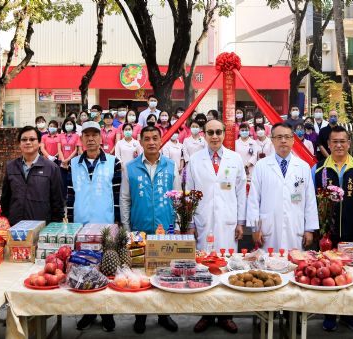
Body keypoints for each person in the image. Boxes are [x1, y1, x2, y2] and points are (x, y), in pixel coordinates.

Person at [187, 120, 246, 334]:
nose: (214, 136)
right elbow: (190, 192)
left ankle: (225, 315)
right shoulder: (195, 160)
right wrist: (191, 222)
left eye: (218, 132)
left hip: (228, 223)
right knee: (204, 268)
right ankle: (205, 315)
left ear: (224, 133)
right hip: (203, 222)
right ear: (204, 134)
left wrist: (241, 222)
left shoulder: (235, 159)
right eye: (210, 132)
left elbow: (240, 193)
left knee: (226, 268)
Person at [314, 126, 353, 332]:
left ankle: (349, 315)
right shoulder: (318, 169)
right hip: (327, 233)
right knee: (327, 274)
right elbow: (311, 201)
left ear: (349, 143)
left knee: (349, 274)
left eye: (343, 141)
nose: (339, 145)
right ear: (328, 144)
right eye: (334, 141)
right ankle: (329, 314)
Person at [121, 126, 180, 334]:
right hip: (140, 228)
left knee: (164, 272)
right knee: (141, 274)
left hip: (165, 228)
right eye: (147, 139)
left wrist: (178, 226)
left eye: (155, 138)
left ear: (161, 139)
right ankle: (140, 316)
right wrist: (127, 229)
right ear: (141, 141)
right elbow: (125, 199)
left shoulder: (171, 166)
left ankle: (164, 315)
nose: (152, 142)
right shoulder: (130, 167)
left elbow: (178, 197)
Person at [71, 121, 122, 332]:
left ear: (102, 138)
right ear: (81, 139)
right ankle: (88, 312)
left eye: (95, 135)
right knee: (83, 271)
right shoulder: (73, 163)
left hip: (105, 226)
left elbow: (118, 194)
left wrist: (118, 222)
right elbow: (69, 194)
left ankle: (107, 313)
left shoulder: (113, 162)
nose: (91, 139)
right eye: (86, 135)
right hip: (81, 226)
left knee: (106, 270)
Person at [246, 123, 318, 251]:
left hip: (295, 228)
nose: (283, 141)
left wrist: (309, 229)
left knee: (295, 265)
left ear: (293, 140)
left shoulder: (303, 167)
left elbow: (310, 200)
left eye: (287, 137)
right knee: (269, 267)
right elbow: (253, 200)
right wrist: (255, 228)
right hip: (268, 230)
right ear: (272, 140)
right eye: (279, 137)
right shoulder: (261, 166)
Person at [1, 126, 65, 225]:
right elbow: (5, 199)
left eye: (32, 139)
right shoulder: (11, 167)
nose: (28, 142)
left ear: (39, 143)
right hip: (15, 227)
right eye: (24, 140)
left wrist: (54, 227)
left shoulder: (51, 168)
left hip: (41, 228)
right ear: (19, 144)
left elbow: (58, 202)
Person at [58, 118, 82, 220]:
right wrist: (63, 159)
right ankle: (63, 204)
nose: (69, 125)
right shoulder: (61, 136)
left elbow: (76, 149)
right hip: (62, 162)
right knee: (62, 183)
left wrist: (68, 159)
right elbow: (59, 148)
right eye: (67, 123)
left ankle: (72, 202)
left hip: (72, 162)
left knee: (72, 182)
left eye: (70, 123)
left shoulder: (76, 136)